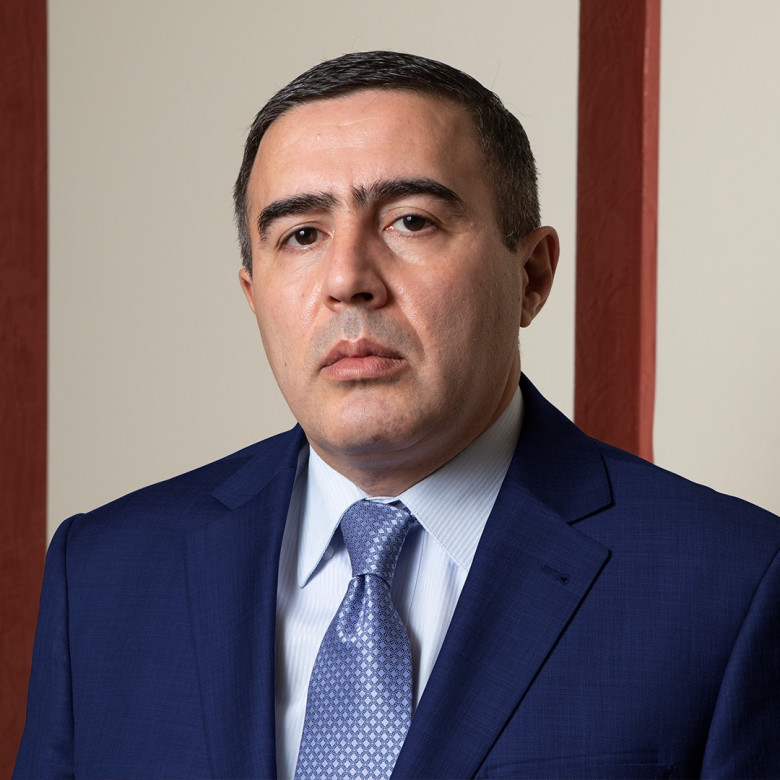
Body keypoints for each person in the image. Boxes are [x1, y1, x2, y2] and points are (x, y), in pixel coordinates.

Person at [15, 51, 780, 779]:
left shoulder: (732, 584)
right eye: (302, 235)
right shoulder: (105, 575)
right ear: (254, 297)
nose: (348, 279)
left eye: (411, 221)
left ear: (532, 276)